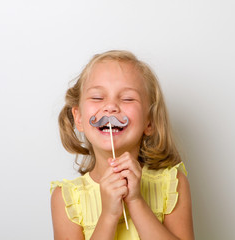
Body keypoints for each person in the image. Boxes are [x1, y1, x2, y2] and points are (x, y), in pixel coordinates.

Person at [50, 50, 194, 239]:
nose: (110, 107)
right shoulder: (66, 199)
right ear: (79, 118)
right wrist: (108, 215)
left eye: (127, 99)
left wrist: (136, 201)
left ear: (149, 121)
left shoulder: (173, 184)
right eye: (97, 98)